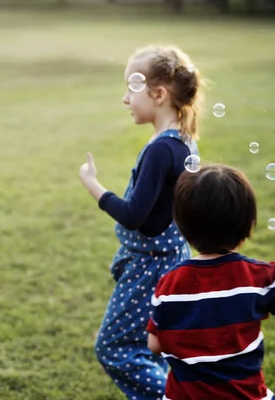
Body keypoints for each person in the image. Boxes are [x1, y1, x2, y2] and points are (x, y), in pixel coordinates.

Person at [78, 45, 202, 399]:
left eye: (131, 88)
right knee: (152, 345)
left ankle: (175, 396)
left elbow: (136, 216)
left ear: (158, 94)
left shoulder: (162, 149)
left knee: (114, 347)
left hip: (151, 266)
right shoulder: (182, 140)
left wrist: (93, 185)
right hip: (170, 259)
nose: (124, 98)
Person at [148, 164, 275, 400]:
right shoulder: (259, 277)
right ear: (248, 224)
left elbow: (154, 344)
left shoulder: (168, 285)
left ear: (181, 225)